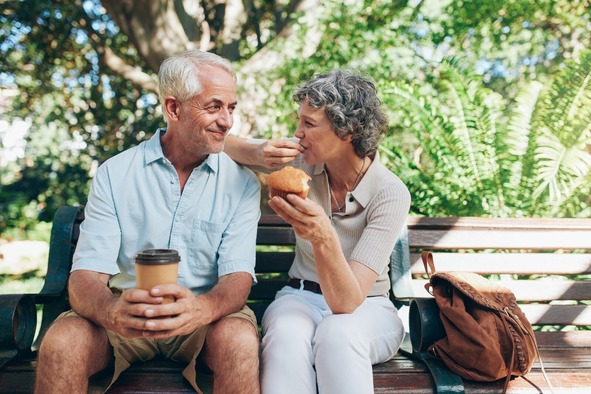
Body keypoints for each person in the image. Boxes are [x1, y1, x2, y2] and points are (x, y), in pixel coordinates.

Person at [34, 50, 262, 394]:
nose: (227, 121)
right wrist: (112, 310)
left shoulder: (242, 183)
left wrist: (199, 310)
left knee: (239, 339)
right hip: (124, 314)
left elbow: (237, 279)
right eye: (213, 106)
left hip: (205, 317)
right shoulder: (116, 173)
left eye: (231, 108)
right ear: (173, 108)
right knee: (63, 340)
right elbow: (85, 277)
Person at [224, 69, 411, 394]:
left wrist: (322, 235)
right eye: (300, 121)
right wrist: (258, 152)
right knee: (286, 336)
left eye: (309, 124)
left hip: (368, 307)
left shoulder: (390, 192)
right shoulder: (301, 165)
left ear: (347, 130)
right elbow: (221, 143)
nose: (298, 133)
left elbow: (347, 302)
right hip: (299, 296)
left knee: (338, 333)